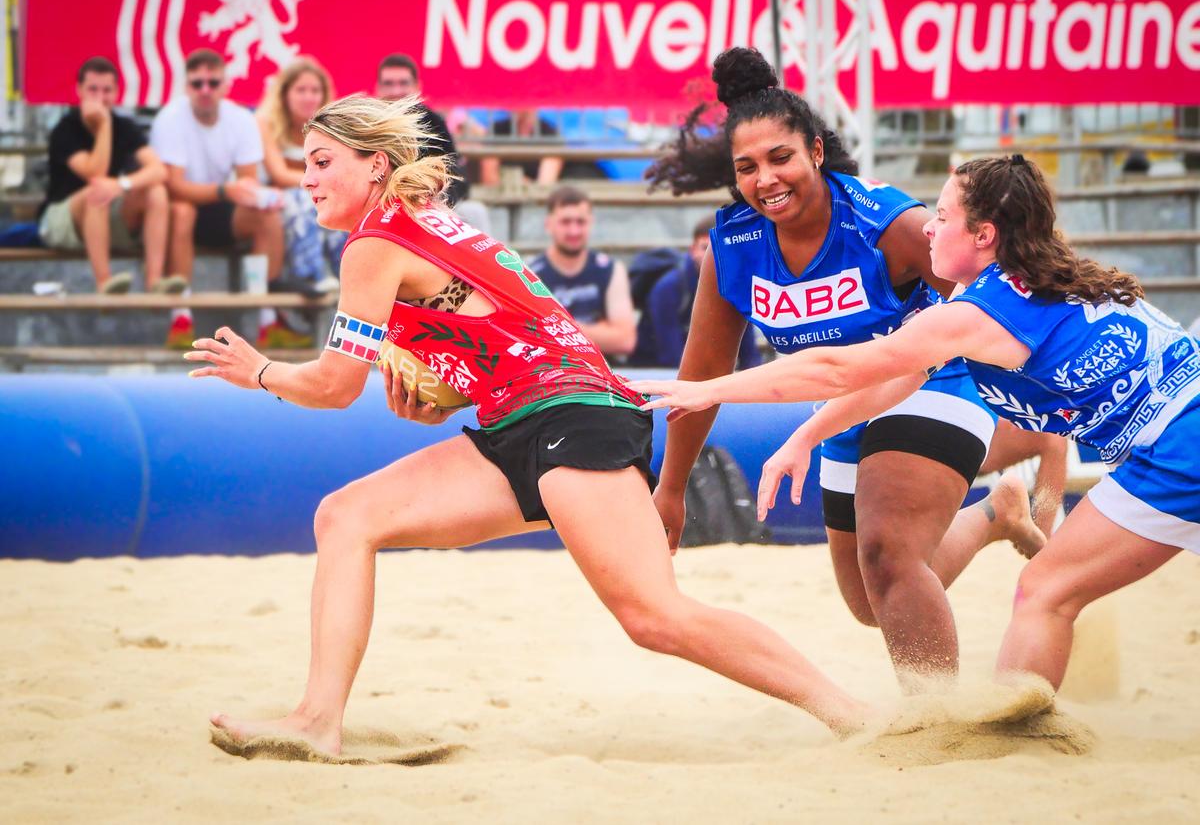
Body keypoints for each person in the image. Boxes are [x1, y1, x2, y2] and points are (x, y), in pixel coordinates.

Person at [185, 94, 867, 758]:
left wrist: (260, 372)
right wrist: (442, 398)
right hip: (528, 416)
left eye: (322, 161)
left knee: (655, 616)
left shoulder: (374, 243)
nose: (306, 178)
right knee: (346, 517)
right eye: (304, 163)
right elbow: (502, 327)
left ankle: (851, 714)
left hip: (570, 414)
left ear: (375, 165)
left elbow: (336, 387)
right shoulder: (428, 219)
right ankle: (317, 719)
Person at [630, 154, 1200, 692]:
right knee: (980, 593)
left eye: (943, 216)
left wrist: (710, 389)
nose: (928, 226)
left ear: (983, 235)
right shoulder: (1015, 288)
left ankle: (1020, 731)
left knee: (1044, 592)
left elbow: (837, 368)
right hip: (1170, 443)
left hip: (1178, 443)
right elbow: (892, 380)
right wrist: (805, 436)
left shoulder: (980, 312)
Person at [642, 48, 1042, 688]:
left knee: (889, 556)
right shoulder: (734, 247)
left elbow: (1001, 301)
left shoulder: (889, 225)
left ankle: (939, 721)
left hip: (936, 380)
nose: (766, 179)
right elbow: (702, 380)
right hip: (842, 407)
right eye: (747, 168)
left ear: (816, 152)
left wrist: (1049, 399)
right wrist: (671, 487)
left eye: (781, 158)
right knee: (869, 601)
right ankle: (998, 512)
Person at [151, 48, 299, 350]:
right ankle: (180, 319)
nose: (205, 90)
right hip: (181, 211)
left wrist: (257, 195)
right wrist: (226, 191)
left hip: (223, 209)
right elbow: (173, 187)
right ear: (186, 87)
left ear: (225, 85)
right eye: (197, 83)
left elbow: (248, 183)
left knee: (267, 216)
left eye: (213, 83)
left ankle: (266, 317)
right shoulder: (170, 118)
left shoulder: (241, 119)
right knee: (181, 211)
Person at [39, 56, 179, 294]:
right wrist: (103, 126)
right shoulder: (65, 129)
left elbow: (159, 170)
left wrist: (122, 184)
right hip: (60, 220)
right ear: (79, 90)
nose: (100, 97)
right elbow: (95, 172)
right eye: (93, 89)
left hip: (104, 216)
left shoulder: (125, 126)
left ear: (116, 93)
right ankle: (104, 283)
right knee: (97, 191)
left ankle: (155, 281)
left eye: (106, 90)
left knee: (156, 192)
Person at [631, 217, 762, 369]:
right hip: (654, 370)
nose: (713, 257)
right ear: (693, 250)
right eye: (705, 248)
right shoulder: (668, 289)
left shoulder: (737, 284)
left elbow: (749, 354)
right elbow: (671, 357)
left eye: (723, 248)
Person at [257, 56, 342, 292]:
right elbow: (279, 175)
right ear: (285, 94)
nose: (308, 97)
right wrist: (321, 183)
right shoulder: (266, 123)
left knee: (340, 204)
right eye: (301, 90)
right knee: (303, 199)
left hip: (312, 197)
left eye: (315, 90)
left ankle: (348, 277)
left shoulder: (332, 128)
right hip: (271, 204)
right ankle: (310, 276)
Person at [527, 186, 637, 358]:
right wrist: (601, 330)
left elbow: (625, 340)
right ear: (548, 224)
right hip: (550, 368)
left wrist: (557, 328)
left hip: (602, 369)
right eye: (565, 222)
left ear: (591, 223)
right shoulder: (530, 273)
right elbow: (527, 337)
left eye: (581, 222)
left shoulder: (610, 269)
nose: (574, 231)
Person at [374, 53, 468, 207]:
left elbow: (453, 174)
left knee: (474, 211)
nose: (396, 91)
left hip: (426, 204)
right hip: (375, 203)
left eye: (404, 83)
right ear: (378, 88)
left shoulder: (433, 123)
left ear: (417, 87)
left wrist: (431, 202)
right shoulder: (367, 123)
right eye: (388, 83)